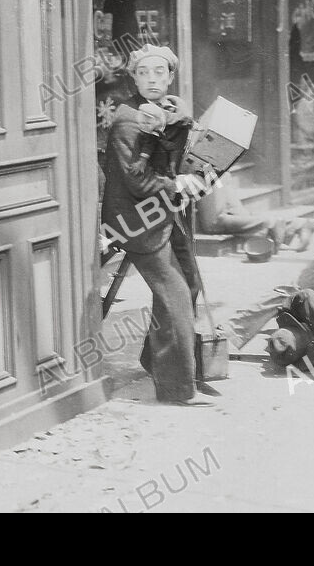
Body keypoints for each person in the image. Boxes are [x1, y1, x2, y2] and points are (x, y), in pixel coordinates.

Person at [100, 45, 215, 407]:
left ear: (170, 77)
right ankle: (176, 389)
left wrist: (188, 130)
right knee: (176, 295)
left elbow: (176, 152)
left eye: (159, 73)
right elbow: (136, 181)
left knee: (191, 281)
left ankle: (157, 361)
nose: (152, 79)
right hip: (134, 217)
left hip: (164, 211)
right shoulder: (127, 120)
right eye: (144, 72)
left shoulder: (164, 111)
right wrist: (178, 185)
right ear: (133, 77)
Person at [196, 171, 314, 252]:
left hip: (205, 167)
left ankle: (272, 223)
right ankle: (295, 225)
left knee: (214, 222)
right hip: (216, 165)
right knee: (239, 216)